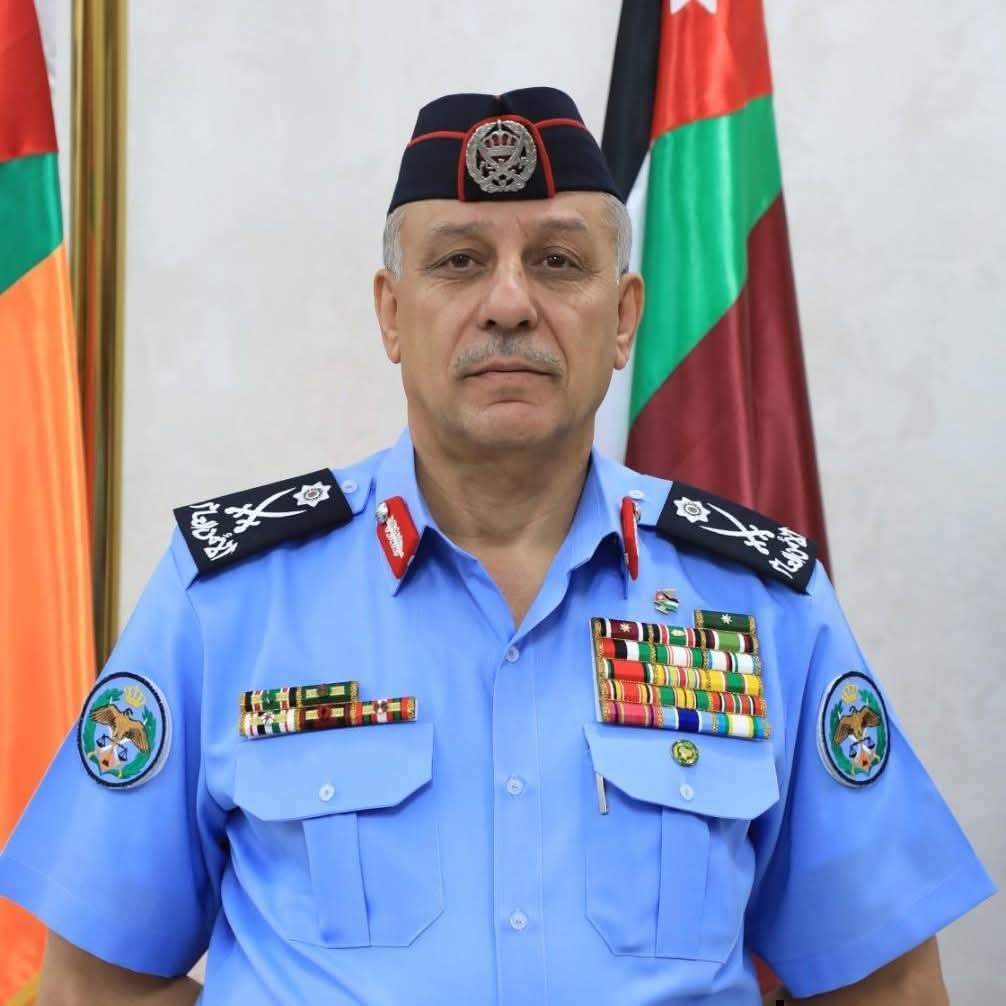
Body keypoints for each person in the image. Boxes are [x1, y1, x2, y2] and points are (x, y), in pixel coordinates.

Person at [0, 87, 993, 1006]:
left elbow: (888, 988)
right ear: (392, 313)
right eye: (459, 261)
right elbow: (90, 987)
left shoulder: (763, 601)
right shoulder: (231, 599)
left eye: (558, 261)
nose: (510, 303)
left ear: (624, 318)